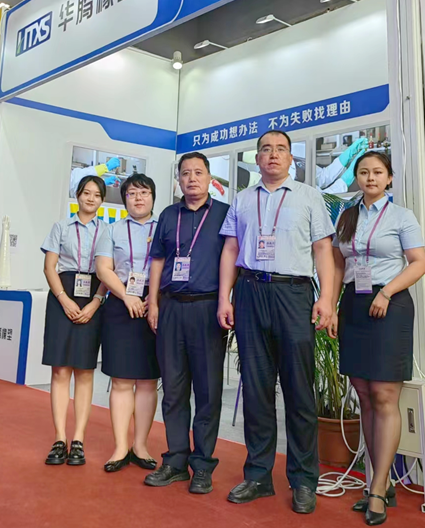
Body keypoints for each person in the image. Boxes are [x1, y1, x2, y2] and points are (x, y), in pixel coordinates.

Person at [218, 130, 336, 514]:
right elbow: (231, 249)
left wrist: (327, 299)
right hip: (250, 291)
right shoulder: (242, 199)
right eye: (266, 149)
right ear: (257, 158)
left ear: (290, 159)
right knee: (256, 389)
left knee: (299, 391)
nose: (273, 155)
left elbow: (323, 249)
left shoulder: (309, 196)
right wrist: (225, 298)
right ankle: (257, 476)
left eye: (280, 149)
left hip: (293, 294)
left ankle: (303, 480)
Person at [332, 151, 425, 526]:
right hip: (354, 305)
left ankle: (376, 488)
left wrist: (386, 292)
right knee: (365, 396)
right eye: (363, 172)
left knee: (385, 395)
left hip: (390, 304)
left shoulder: (402, 216)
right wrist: (331, 306)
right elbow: (338, 263)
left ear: (389, 178)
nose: (370, 178)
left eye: (377, 172)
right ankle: (381, 481)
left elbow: (418, 263)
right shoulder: (347, 215)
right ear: (357, 177)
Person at [145, 152, 229, 494]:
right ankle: (175, 461)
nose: (192, 178)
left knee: (208, 391)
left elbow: (233, 261)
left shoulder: (224, 214)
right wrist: (153, 302)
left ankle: (203, 465)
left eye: (198, 172)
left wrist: (227, 301)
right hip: (171, 308)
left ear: (210, 178)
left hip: (208, 309)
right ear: (178, 180)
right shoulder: (168, 215)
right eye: (185, 173)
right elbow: (157, 260)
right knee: (174, 389)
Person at [41, 175, 108, 466]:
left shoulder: (107, 231)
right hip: (62, 295)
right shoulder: (61, 227)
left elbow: (109, 270)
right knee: (59, 370)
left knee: (84, 370)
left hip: (93, 296)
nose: (91, 198)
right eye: (86, 193)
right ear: (78, 195)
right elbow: (49, 267)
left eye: (96, 194)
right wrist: (63, 298)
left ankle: (78, 439)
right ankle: (59, 438)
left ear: (102, 200)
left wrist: (96, 301)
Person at [95, 174, 160, 473]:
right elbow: (103, 269)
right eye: (132, 193)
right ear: (124, 200)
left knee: (148, 380)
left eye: (144, 193)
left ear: (153, 197)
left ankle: (140, 446)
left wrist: (153, 299)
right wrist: (126, 296)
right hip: (121, 304)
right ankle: (120, 447)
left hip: (155, 304)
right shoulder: (112, 230)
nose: (138, 198)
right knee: (121, 380)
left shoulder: (164, 227)